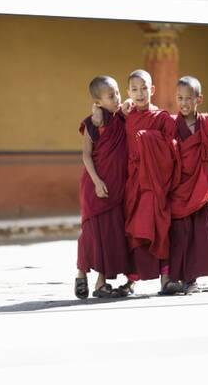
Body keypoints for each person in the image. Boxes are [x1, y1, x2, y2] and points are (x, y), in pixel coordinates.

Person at [99, 70, 182, 297]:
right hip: (134, 182)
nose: (140, 93)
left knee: (159, 228)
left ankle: (166, 279)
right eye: (134, 89)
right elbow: (104, 124)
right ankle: (131, 281)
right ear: (128, 92)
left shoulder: (162, 117)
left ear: (152, 90)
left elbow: (172, 147)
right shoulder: (127, 115)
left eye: (144, 88)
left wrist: (148, 138)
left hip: (155, 184)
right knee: (134, 230)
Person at [169, 76, 208, 293]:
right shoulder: (173, 123)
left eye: (188, 98)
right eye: (179, 98)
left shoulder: (204, 121)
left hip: (199, 186)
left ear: (198, 99)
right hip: (180, 185)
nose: (183, 103)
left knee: (198, 232)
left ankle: (192, 278)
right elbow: (168, 153)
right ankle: (174, 276)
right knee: (178, 232)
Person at [75, 76, 131, 299]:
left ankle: (101, 282)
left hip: (116, 188)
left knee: (109, 234)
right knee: (91, 233)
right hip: (95, 185)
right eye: (111, 96)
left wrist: (124, 107)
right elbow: (86, 156)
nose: (117, 98)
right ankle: (81, 273)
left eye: (117, 92)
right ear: (97, 101)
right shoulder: (92, 123)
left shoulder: (122, 119)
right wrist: (97, 182)